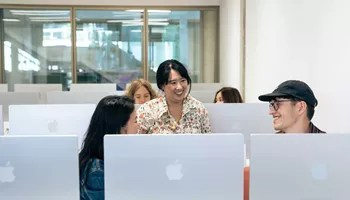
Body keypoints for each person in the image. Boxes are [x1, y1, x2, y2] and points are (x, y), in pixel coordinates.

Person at [79, 95, 139, 200]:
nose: (139, 125)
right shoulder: (96, 171)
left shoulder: (112, 159)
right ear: (121, 127)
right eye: (135, 121)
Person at [137, 59, 211, 134]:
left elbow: (208, 142)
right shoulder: (147, 111)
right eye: (173, 83)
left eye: (183, 81)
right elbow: (137, 143)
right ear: (162, 85)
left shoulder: (199, 109)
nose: (179, 87)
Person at [258, 80, 325, 133]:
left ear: (300, 107)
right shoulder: (269, 146)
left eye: (277, 104)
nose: (270, 112)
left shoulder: (329, 146)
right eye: (272, 104)